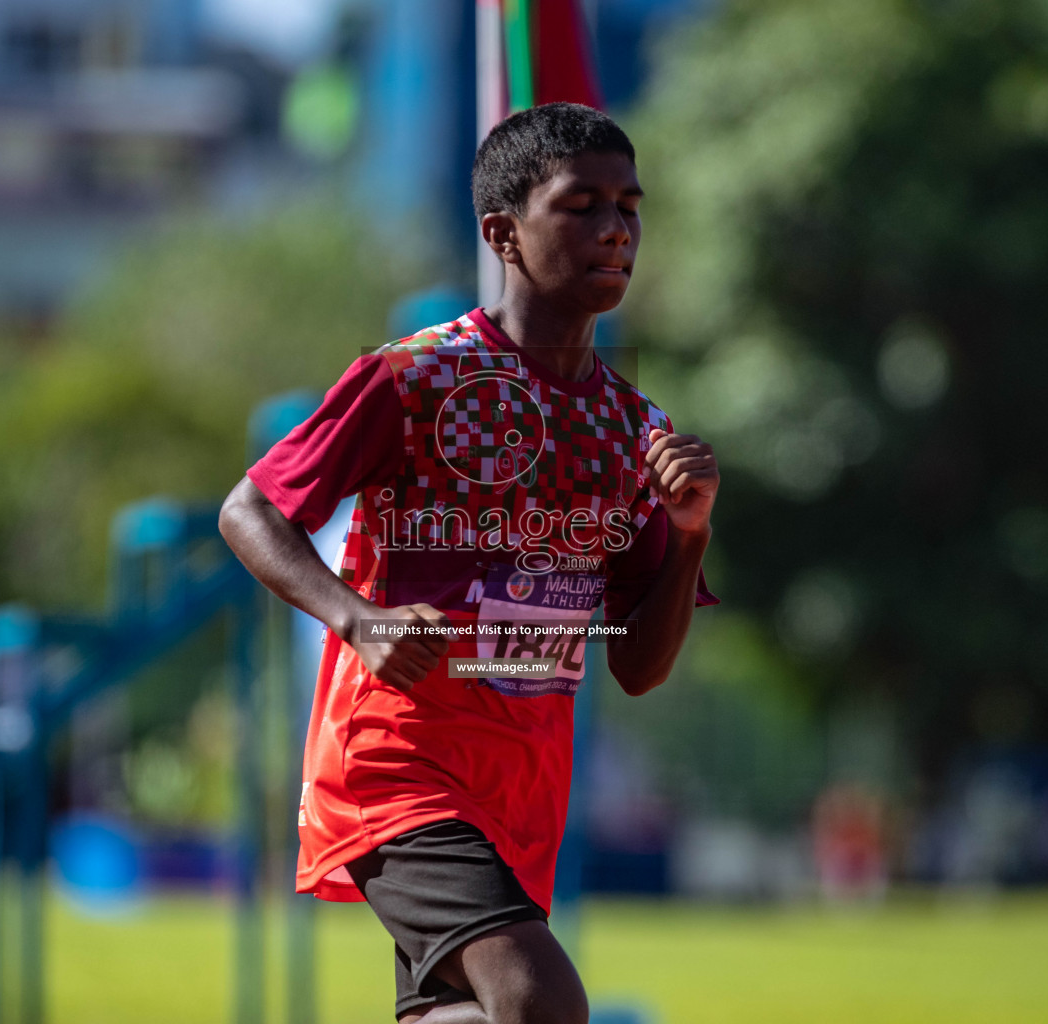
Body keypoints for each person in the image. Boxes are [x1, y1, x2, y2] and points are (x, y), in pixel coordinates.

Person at [220, 102, 717, 1024]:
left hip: (521, 798)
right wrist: (355, 617)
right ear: (504, 233)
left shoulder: (635, 428)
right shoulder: (415, 378)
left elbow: (641, 668)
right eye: (582, 206)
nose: (616, 229)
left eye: (630, 206)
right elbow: (250, 509)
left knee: (464, 1017)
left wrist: (688, 534)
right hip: (398, 768)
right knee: (540, 998)